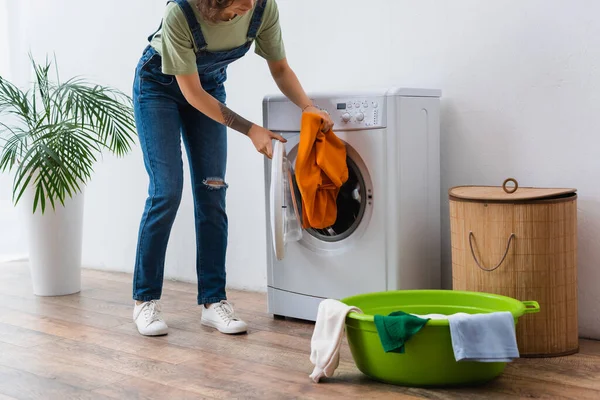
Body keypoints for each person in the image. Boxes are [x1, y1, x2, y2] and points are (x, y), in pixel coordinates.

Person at [131, 0, 333, 336]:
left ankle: (213, 301)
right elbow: (191, 94)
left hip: (207, 87)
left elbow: (280, 68)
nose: (249, 4)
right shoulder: (180, 12)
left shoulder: (262, 8)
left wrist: (308, 107)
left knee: (212, 190)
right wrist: (250, 129)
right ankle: (145, 300)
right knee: (166, 191)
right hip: (158, 89)